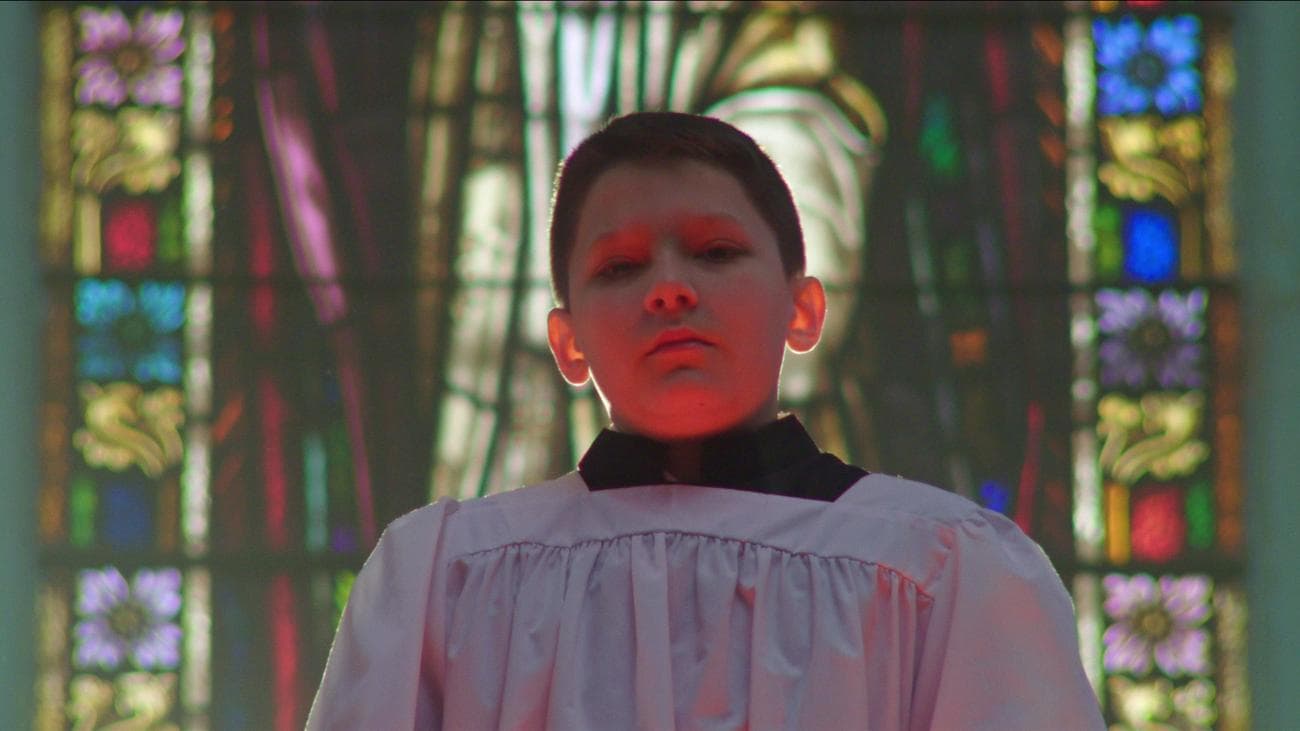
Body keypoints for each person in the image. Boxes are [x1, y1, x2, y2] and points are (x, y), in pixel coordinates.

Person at [306, 112, 1105, 730]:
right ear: (567, 340)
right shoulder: (446, 576)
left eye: (715, 251)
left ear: (804, 307)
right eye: (620, 266)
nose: (669, 289)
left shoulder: (944, 570)